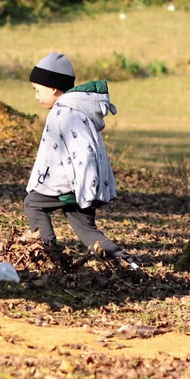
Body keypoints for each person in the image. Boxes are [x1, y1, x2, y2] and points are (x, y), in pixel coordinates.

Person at [24, 53, 139, 270]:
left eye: (38, 90)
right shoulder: (74, 110)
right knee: (87, 231)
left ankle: (48, 254)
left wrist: (86, 186)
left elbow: (84, 151)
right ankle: (127, 264)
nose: (36, 96)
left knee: (33, 204)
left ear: (54, 88)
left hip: (71, 186)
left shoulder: (66, 113)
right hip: (78, 186)